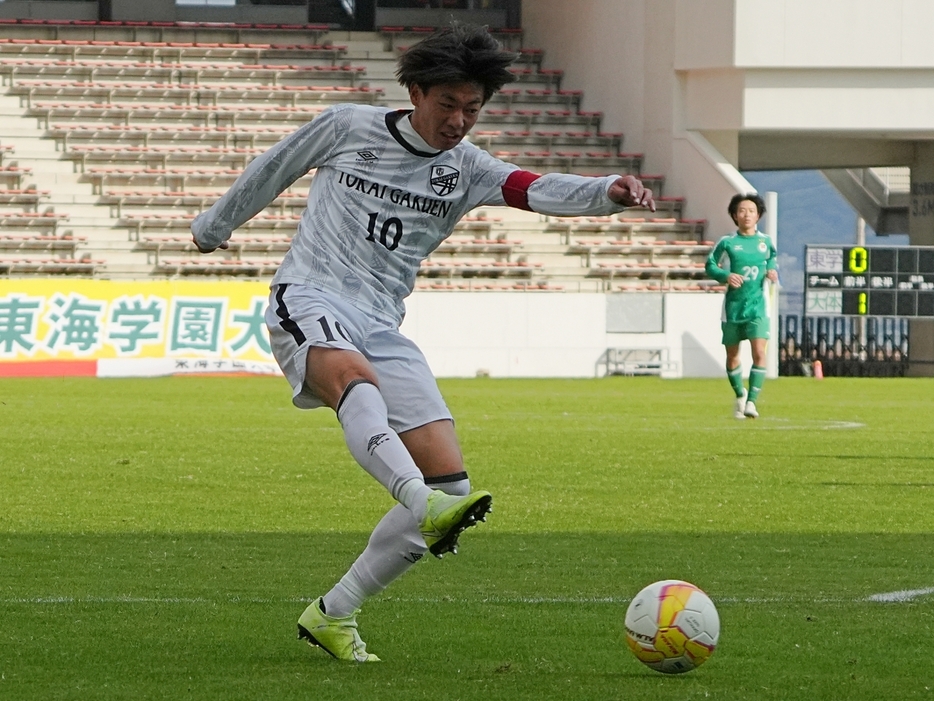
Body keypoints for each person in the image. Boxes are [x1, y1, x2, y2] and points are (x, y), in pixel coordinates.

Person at [191, 23, 655, 663]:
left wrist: (607, 191)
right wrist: (213, 227)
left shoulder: (466, 168)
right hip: (311, 294)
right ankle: (416, 500)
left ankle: (334, 612)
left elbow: (531, 185)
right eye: (448, 105)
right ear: (415, 92)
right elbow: (275, 168)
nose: (460, 121)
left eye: (473, 109)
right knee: (357, 384)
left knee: (455, 487)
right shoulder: (347, 126)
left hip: (384, 323)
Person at [705, 193, 778, 419]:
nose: (747, 215)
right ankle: (739, 394)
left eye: (752, 211)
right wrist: (726, 276)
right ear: (735, 215)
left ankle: (752, 403)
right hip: (733, 308)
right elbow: (710, 265)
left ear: (758, 216)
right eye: (742, 211)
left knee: (759, 352)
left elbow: (772, 260)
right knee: (733, 356)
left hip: (757, 307)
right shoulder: (727, 243)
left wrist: (772, 271)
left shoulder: (765, 242)